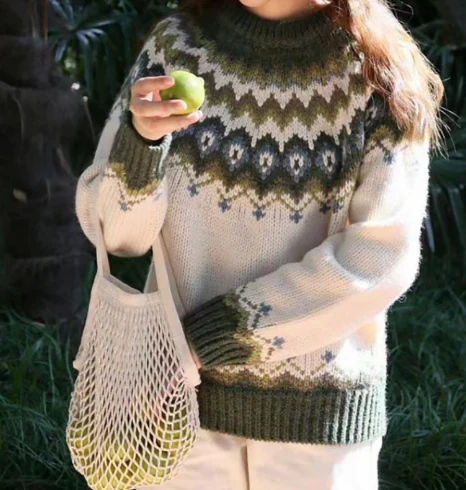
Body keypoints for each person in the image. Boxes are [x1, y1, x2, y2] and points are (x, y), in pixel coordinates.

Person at [75, 0, 444, 488]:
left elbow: (379, 258)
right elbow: (116, 236)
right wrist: (142, 143)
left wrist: (205, 342)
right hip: (176, 412)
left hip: (314, 423)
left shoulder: (376, 69)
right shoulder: (175, 48)